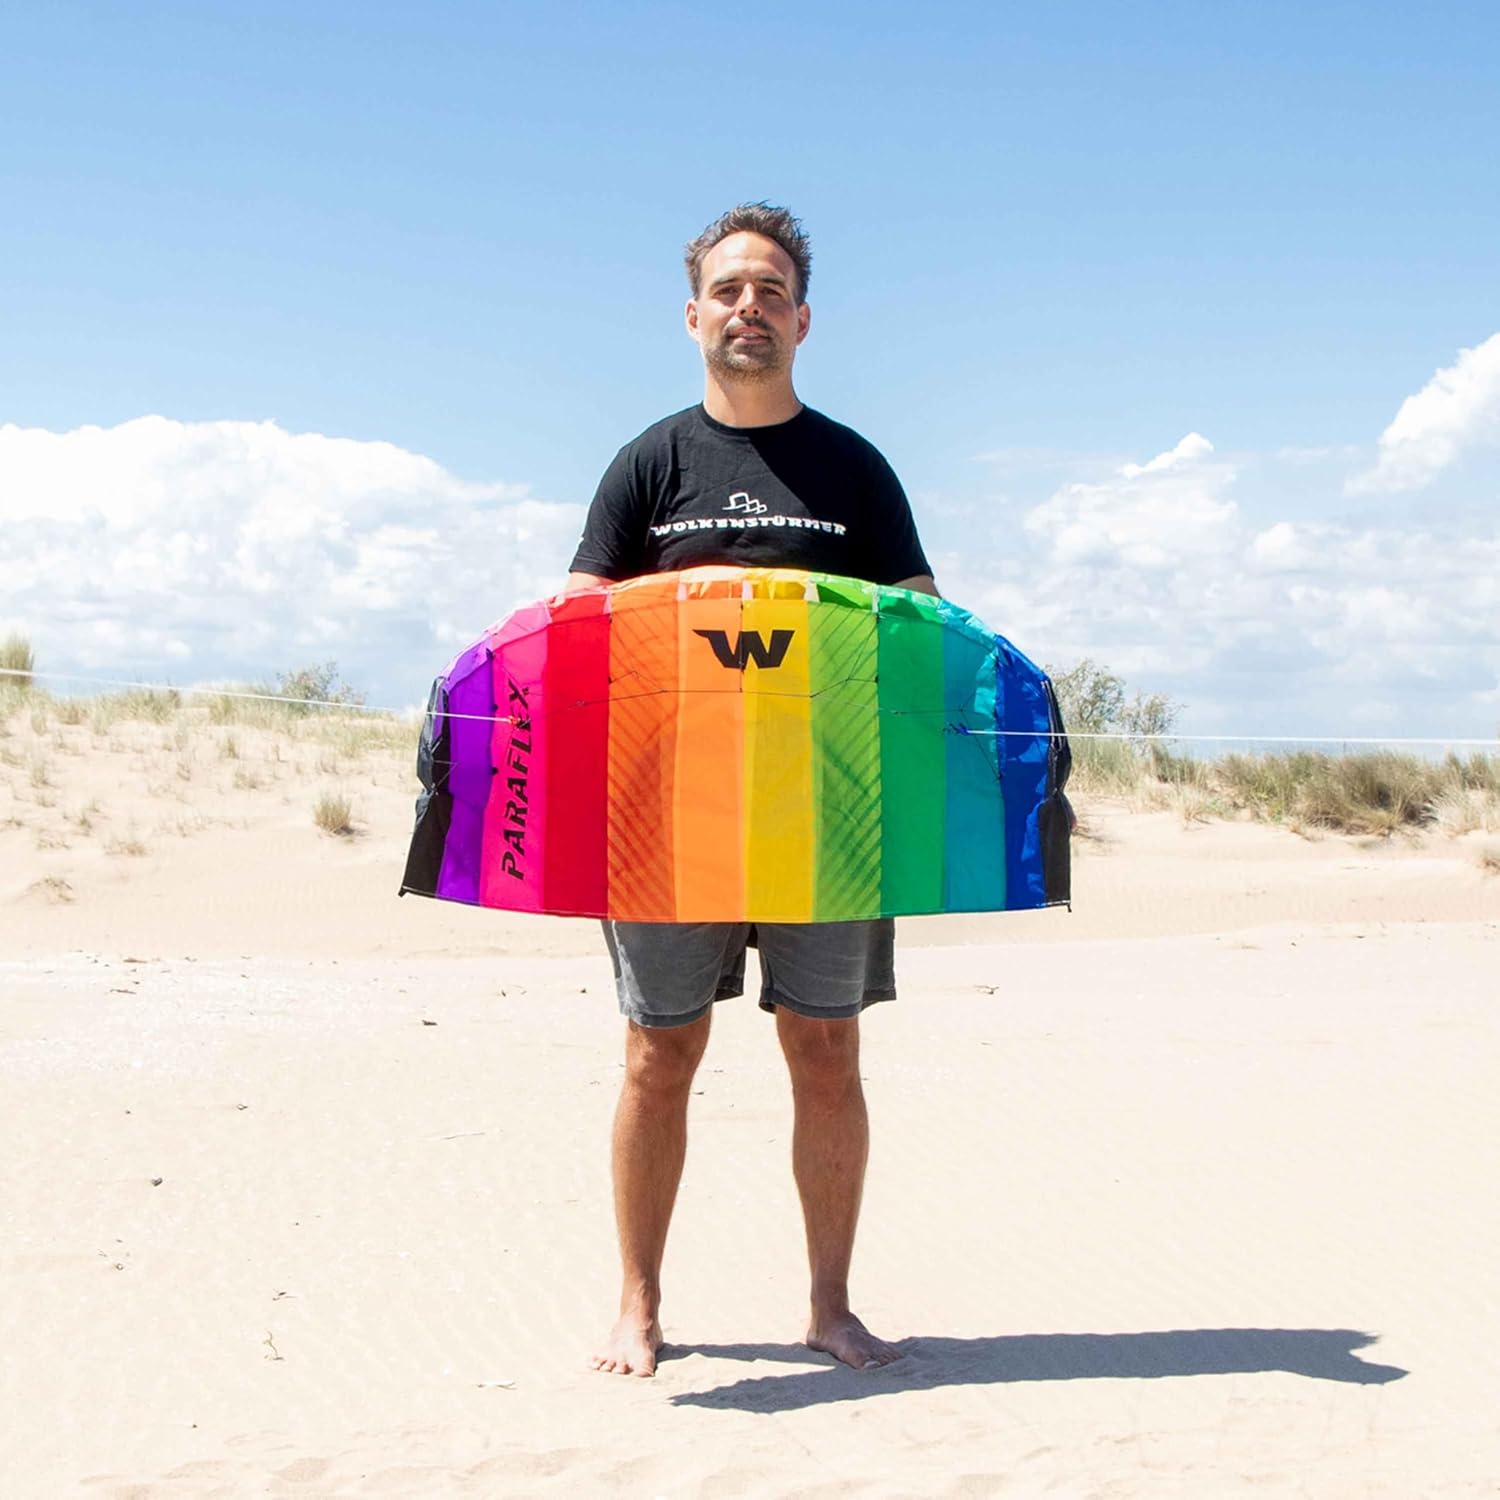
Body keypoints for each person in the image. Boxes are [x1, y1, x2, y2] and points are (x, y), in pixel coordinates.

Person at [567, 203, 937, 1377]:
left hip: (827, 816)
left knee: (826, 1053)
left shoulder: (854, 470)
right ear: (693, 317)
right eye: (729, 290)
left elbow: (921, 623)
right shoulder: (650, 465)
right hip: (669, 816)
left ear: (803, 321)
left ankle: (829, 1306)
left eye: (771, 291)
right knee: (657, 1055)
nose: (749, 308)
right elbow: (579, 624)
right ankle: (638, 1304)